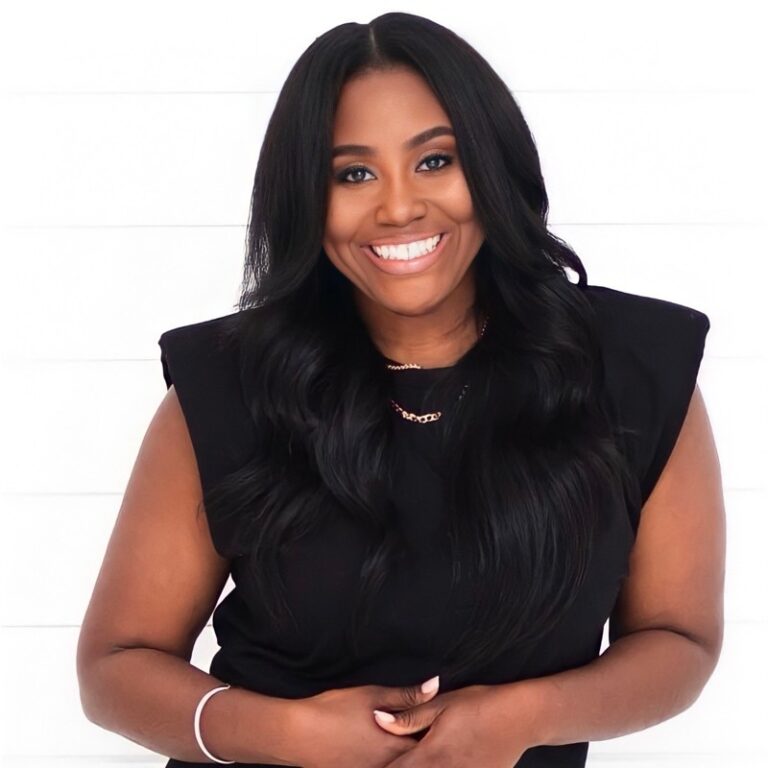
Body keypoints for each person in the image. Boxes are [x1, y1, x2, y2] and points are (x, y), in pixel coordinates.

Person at [76, 12, 725, 768]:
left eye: (435, 161)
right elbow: (114, 666)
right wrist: (291, 735)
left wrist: (522, 719)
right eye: (353, 174)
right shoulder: (229, 381)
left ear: (493, 165)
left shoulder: (634, 366)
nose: (398, 207)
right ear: (305, 196)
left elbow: (680, 639)